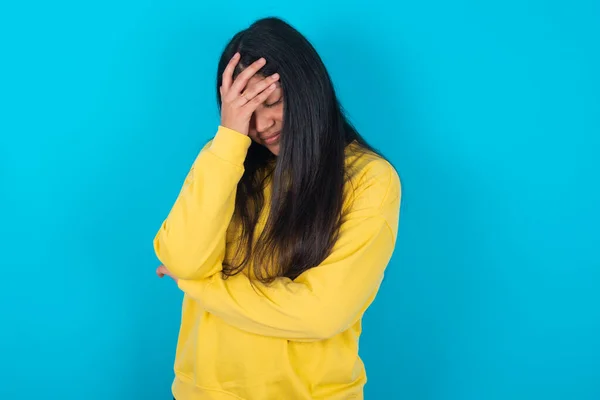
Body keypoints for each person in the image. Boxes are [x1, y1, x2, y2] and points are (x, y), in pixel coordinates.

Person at [154, 16, 401, 400]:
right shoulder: (224, 161)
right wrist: (228, 140)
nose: (261, 123)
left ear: (307, 88)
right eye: (244, 111)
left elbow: (322, 313)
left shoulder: (368, 179)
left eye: (272, 102)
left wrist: (199, 288)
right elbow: (184, 258)